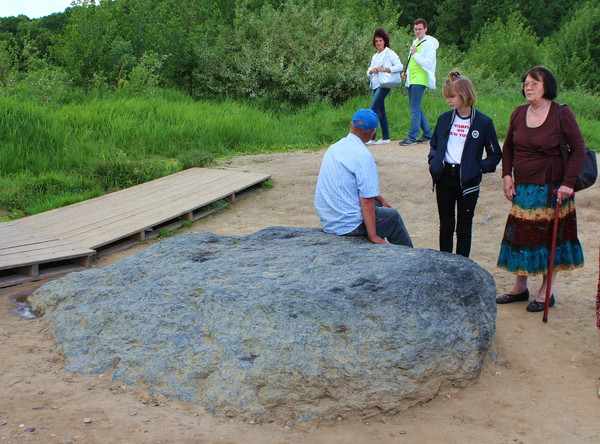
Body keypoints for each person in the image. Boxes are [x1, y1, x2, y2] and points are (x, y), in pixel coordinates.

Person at [496, 66, 586, 312]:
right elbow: (508, 148)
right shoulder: (518, 113)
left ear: (548, 87)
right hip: (523, 188)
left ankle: (547, 291)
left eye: (535, 83)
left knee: (550, 240)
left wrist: (568, 183)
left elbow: (579, 148)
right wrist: (507, 176)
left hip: (553, 189)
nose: (528, 87)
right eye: (526, 82)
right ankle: (519, 287)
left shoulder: (561, 113)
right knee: (521, 238)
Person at [428, 72, 502, 257]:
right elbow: (435, 145)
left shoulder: (483, 122)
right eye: (447, 97)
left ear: (465, 95)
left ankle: (463, 267)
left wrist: (478, 168)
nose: (448, 101)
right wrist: (434, 162)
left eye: (452, 97)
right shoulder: (444, 119)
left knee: (464, 227)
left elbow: (495, 154)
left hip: (467, 180)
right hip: (445, 176)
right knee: (445, 225)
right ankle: (445, 263)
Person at [314, 108, 413, 246]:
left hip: (329, 220)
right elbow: (366, 200)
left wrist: (379, 198)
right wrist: (373, 236)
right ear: (372, 132)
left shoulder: (334, 148)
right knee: (392, 217)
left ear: (350, 125)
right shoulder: (363, 156)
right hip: (347, 226)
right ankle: (408, 257)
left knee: (378, 205)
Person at [399, 18, 439, 146]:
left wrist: (415, 54)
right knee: (415, 107)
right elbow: (412, 62)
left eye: (420, 29)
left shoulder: (429, 44)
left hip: (420, 79)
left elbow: (428, 62)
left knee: (414, 109)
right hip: (412, 79)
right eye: (415, 29)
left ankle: (412, 136)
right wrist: (406, 73)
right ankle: (427, 134)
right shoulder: (415, 42)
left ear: (425, 29)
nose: (417, 31)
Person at [366, 28, 403, 146]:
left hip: (384, 84)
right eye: (376, 41)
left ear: (384, 41)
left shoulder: (389, 53)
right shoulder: (375, 56)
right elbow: (368, 71)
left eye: (380, 40)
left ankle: (371, 137)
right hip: (375, 84)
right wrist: (371, 71)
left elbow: (399, 66)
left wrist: (385, 69)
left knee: (373, 109)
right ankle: (386, 137)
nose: (378, 43)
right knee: (381, 112)